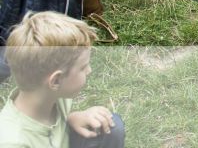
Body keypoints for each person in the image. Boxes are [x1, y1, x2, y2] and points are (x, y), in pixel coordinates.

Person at [0, 11, 125, 148]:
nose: (89, 70)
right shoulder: (13, 141)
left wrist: (71, 119)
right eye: (83, 67)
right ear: (56, 81)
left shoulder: (48, 95)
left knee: (112, 126)